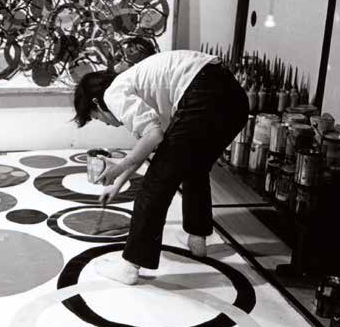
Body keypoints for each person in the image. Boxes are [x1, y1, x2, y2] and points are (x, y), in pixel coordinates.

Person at [72, 49, 249, 285]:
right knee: (195, 166)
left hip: (203, 92)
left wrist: (118, 167)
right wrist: (118, 183)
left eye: (96, 117)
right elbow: (148, 145)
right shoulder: (140, 88)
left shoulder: (114, 92)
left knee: (155, 184)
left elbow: (153, 137)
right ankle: (198, 240)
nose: (106, 123)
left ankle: (129, 266)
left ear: (97, 103)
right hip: (234, 100)